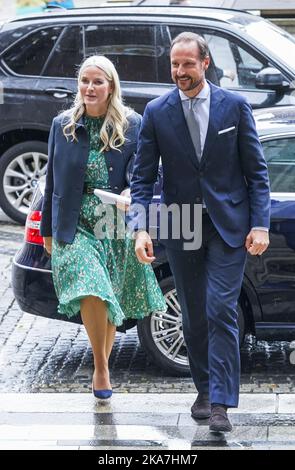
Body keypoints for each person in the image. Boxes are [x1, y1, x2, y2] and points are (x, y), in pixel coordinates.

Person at [129, 32, 270, 432]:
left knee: (220, 308)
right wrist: (141, 229)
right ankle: (205, 390)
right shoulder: (157, 111)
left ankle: (222, 402)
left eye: (187, 64)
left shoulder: (236, 107)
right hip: (181, 223)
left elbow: (256, 173)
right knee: (192, 316)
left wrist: (259, 224)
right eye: (175, 64)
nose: (180, 72)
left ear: (205, 63)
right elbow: (142, 179)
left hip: (229, 226)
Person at [40, 55, 167, 400]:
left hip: (113, 221)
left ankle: (101, 365)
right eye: (84, 81)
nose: (90, 87)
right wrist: (47, 230)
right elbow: (52, 182)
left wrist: (130, 190)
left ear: (111, 86)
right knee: (92, 287)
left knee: (107, 296)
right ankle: (102, 367)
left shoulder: (133, 123)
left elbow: (149, 173)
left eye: (98, 81)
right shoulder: (62, 124)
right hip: (74, 222)